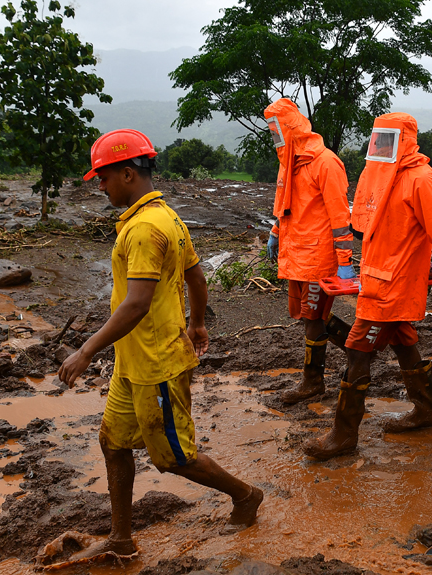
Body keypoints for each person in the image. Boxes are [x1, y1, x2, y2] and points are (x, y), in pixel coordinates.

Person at [54, 129, 262, 565]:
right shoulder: (164, 215)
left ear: (128, 173)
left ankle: (245, 494)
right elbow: (196, 277)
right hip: (132, 363)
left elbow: (137, 302)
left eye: (104, 177)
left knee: (173, 457)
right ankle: (121, 538)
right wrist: (198, 322)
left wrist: (86, 350)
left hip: (157, 364)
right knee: (113, 443)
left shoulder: (147, 228)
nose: (100, 185)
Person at [303, 113, 432, 460]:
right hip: (374, 277)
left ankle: (343, 435)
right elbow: (361, 224)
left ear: (404, 139)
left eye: (388, 138)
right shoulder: (376, 173)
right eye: (378, 138)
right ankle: (426, 410)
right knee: (404, 342)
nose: (381, 145)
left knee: (358, 350)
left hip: (396, 284)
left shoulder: (421, 179)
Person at [263, 98, 355, 405]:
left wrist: (345, 262)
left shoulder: (325, 163)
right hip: (297, 253)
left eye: (277, 130)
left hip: (318, 257)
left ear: (290, 128)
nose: (274, 137)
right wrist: (276, 233)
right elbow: (286, 207)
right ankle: (360, 351)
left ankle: (313, 381)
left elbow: (341, 219)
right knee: (310, 316)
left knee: (314, 317)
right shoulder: (288, 165)